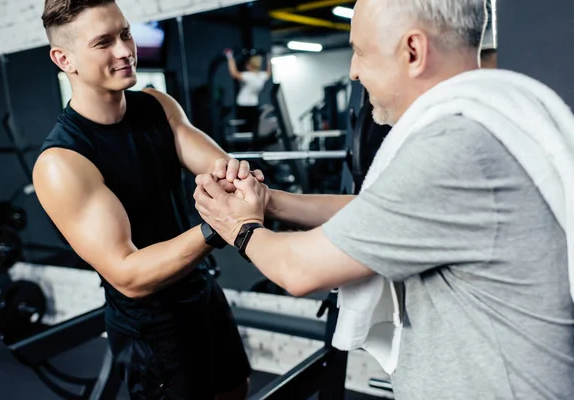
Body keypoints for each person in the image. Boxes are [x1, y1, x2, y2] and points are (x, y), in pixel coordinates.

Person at [194, 0, 574, 399]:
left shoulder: (453, 149)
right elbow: (373, 213)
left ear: (413, 51)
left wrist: (237, 225)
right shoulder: (487, 119)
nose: (354, 70)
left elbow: (298, 270)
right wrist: (270, 201)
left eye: (360, 51)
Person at [34, 1, 264, 399]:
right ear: (63, 58)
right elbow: (129, 274)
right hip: (151, 324)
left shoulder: (158, 106)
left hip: (202, 289)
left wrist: (242, 183)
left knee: (235, 389)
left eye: (124, 33)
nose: (125, 50)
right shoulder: (62, 162)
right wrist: (218, 226)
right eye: (103, 42)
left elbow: (224, 171)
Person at [225, 49, 271, 144]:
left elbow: (234, 73)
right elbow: (269, 72)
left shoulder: (248, 76)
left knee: (246, 130)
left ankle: (248, 147)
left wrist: (229, 57)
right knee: (253, 129)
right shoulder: (262, 76)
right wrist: (268, 58)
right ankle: (252, 145)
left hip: (243, 106)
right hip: (253, 106)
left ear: (250, 65)